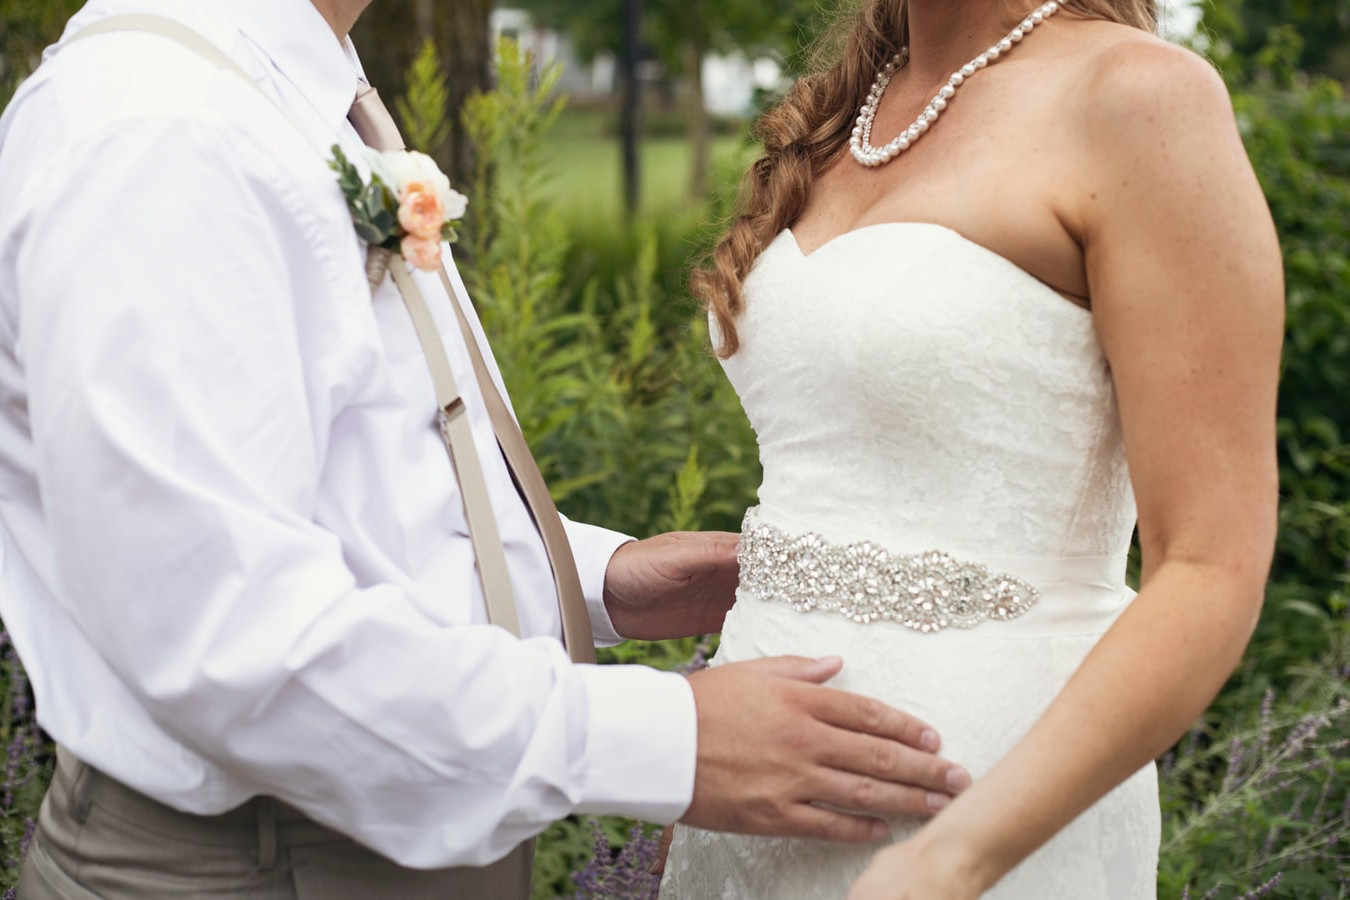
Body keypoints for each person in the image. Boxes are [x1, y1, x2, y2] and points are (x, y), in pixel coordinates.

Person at [0, 0, 973, 897]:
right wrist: (663, 739)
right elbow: (226, 636)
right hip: (262, 863)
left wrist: (592, 580)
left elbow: (350, 481)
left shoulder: (280, 90)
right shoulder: (163, 134)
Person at [660, 0, 1283, 897]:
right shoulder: (848, 112)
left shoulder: (1140, 99)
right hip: (744, 805)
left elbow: (1211, 565)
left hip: (983, 811)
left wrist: (957, 858)